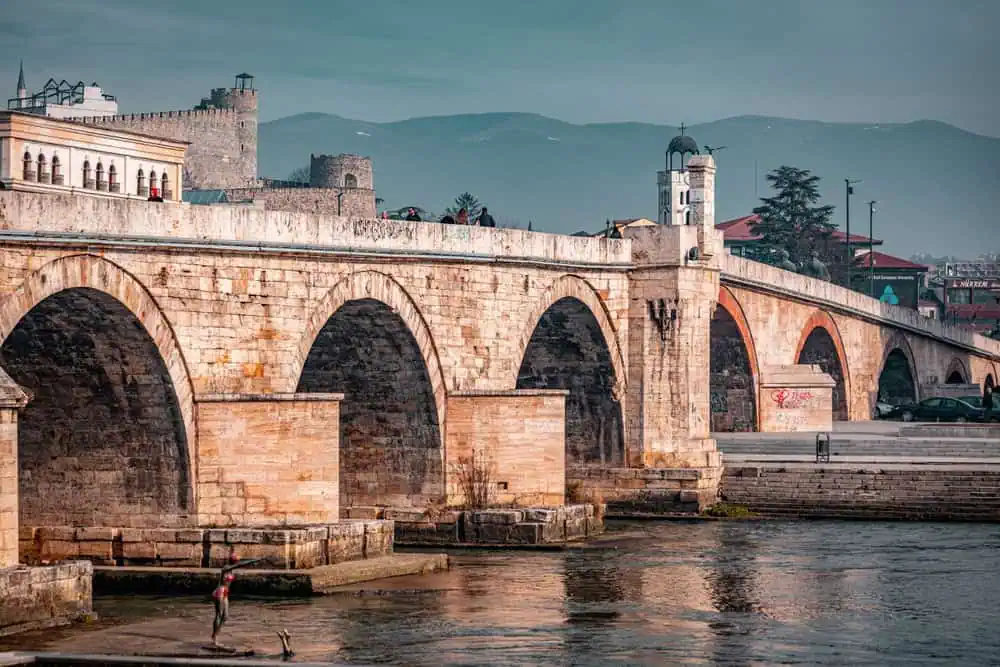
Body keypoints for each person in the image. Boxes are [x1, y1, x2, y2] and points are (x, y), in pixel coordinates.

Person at [211, 548, 263, 647]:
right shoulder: (225, 568)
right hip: (219, 592)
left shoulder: (232, 570)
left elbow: (239, 564)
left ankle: (215, 634)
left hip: (225, 592)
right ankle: (215, 638)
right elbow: (240, 564)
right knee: (219, 614)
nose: (237, 561)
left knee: (225, 616)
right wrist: (254, 560)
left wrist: (255, 559)